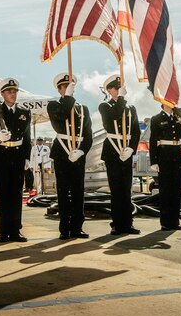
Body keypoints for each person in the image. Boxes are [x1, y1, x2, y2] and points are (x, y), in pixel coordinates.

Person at [47, 72, 93, 240]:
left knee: (78, 192)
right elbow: (59, 123)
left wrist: (82, 150)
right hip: (62, 153)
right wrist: (67, 98)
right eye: (64, 87)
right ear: (59, 90)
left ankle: (77, 227)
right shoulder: (53, 105)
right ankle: (64, 228)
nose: (68, 89)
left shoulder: (83, 109)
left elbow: (88, 135)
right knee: (63, 192)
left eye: (70, 86)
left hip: (78, 153)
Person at [0, 77, 32, 243]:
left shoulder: (24, 112)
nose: (12, 94)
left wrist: (27, 157)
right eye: (9, 91)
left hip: (18, 155)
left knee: (16, 194)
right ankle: (4, 230)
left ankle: (16, 230)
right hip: (2, 156)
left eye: (14, 91)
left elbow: (27, 137)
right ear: (2, 94)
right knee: (4, 194)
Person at [98, 74, 141, 235]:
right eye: (116, 88)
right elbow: (114, 116)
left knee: (126, 189)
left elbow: (136, 131)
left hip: (126, 150)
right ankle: (116, 223)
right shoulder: (105, 106)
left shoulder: (131, 108)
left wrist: (132, 148)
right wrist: (121, 98)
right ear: (110, 90)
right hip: (112, 151)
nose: (120, 89)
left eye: (121, 87)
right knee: (116, 190)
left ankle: (128, 223)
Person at [149, 104, 181, 231]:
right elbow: (153, 140)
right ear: (163, 103)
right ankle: (165, 222)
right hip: (163, 156)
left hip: (177, 155)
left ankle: (175, 221)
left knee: (176, 191)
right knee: (165, 190)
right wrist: (153, 161)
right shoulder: (156, 118)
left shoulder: (177, 119)